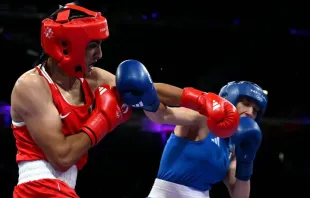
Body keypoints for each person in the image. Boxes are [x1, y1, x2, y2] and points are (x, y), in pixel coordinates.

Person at [10, 4, 133, 197]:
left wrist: (194, 99)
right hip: (38, 190)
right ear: (67, 45)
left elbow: (141, 88)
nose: (99, 55)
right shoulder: (32, 85)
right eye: (93, 45)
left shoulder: (91, 78)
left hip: (62, 189)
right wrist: (103, 119)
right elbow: (62, 157)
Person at [115, 62, 267, 198]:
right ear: (231, 100)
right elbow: (163, 115)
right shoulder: (203, 118)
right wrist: (147, 94)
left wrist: (247, 159)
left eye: (255, 110)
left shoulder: (233, 149)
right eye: (246, 103)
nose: (250, 112)